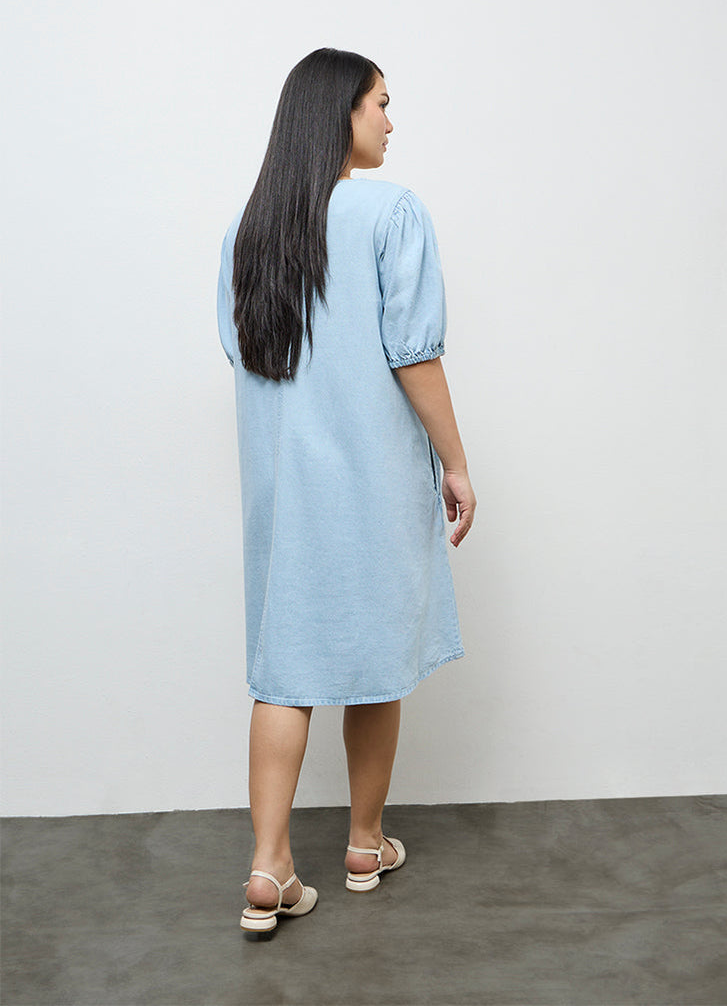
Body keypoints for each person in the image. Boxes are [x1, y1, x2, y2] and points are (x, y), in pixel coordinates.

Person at [216, 47, 477, 935]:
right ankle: (364, 842)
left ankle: (269, 866)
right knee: (373, 657)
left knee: (282, 669)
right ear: (340, 112)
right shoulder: (391, 211)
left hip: (284, 490)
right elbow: (414, 353)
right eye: (380, 104)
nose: (390, 123)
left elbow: (244, 352)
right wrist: (454, 461)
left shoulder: (247, 228)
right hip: (370, 478)